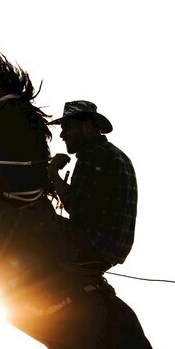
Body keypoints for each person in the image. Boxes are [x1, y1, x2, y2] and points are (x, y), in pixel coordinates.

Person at [48, 100, 137, 272]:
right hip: (112, 252)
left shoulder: (92, 155)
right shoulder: (119, 156)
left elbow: (75, 205)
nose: (62, 135)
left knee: (21, 220)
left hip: (91, 243)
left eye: (67, 127)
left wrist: (53, 174)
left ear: (88, 127)